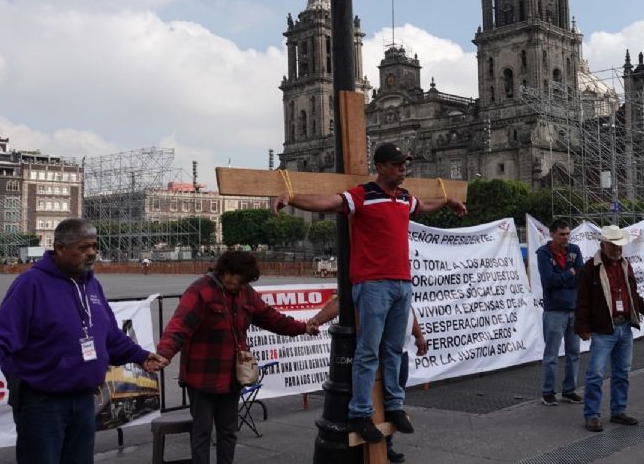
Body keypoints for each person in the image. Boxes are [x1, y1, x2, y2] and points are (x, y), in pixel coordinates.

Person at [272, 142, 466, 442]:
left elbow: (424, 205)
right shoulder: (362, 195)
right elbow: (327, 203)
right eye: (398, 164)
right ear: (382, 167)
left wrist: (448, 201)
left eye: (405, 163)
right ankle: (361, 413)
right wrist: (292, 198)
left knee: (392, 350)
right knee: (368, 352)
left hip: (402, 283)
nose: (404, 168)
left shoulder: (403, 197)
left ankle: (394, 405)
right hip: (373, 283)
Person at [0, 218, 168, 464]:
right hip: (42, 404)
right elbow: (2, 332)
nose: (92, 253)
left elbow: (109, 335)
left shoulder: (92, 285)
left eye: (95, 247)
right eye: (84, 247)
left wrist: (141, 356)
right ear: (60, 248)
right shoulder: (31, 284)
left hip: (84, 401)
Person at [155, 251, 320, 464]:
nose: (242, 287)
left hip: (232, 378)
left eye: (245, 283)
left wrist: (303, 328)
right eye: (239, 281)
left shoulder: (246, 293)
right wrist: (164, 354)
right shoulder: (200, 291)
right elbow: (178, 327)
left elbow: (273, 319)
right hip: (201, 377)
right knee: (202, 433)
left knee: (229, 431)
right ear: (226, 273)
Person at [309, 296, 427, 464]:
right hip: (381, 358)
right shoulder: (370, 284)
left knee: (394, 406)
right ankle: (380, 447)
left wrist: (419, 336)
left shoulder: (398, 285)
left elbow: (409, 310)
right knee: (378, 404)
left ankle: (387, 445)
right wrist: (316, 320)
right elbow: (339, 302)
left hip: (401, 353)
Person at [574, 225, 644, 432]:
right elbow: (582, 301)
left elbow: (634, 298)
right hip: (603, 329)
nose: (618, 249)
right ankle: (592, 414)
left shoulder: (626, 265)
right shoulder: (590, 268)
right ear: (603, 245)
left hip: (624, 326)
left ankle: (618, 410)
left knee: (622, 372)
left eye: (620, 245)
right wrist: (582, 326)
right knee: (596, 373)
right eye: (614, 246)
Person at [535, 219, 584, 405]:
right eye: (562, 234)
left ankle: (569, 390)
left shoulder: (575, 250)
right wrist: (568, 275)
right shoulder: (543, 253)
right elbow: (549, 282)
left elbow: (580, 275)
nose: (566, 237)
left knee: (574, 353)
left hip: (573, 308)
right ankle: (548, 392)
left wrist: (564, 277)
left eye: (567, 234)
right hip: (554, 310)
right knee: (551, 355)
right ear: (552, 234)